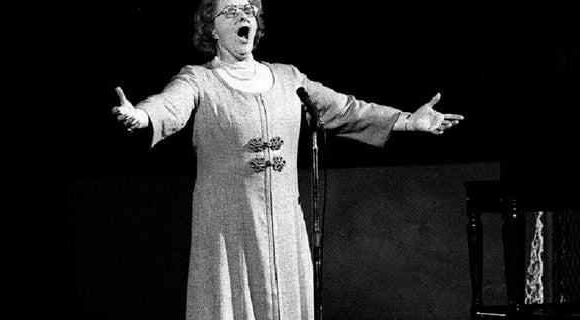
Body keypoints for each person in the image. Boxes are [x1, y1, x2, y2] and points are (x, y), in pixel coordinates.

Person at [112, 0, 464, 319]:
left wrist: (406, 120)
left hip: (284, 227)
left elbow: (344, 109)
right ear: (211, 29)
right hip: (229, 228)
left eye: (249, 8)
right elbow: (169, 105)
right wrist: (142, 116)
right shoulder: (200, 80)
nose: (243, 15)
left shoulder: (287, 79)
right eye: (230, 11)